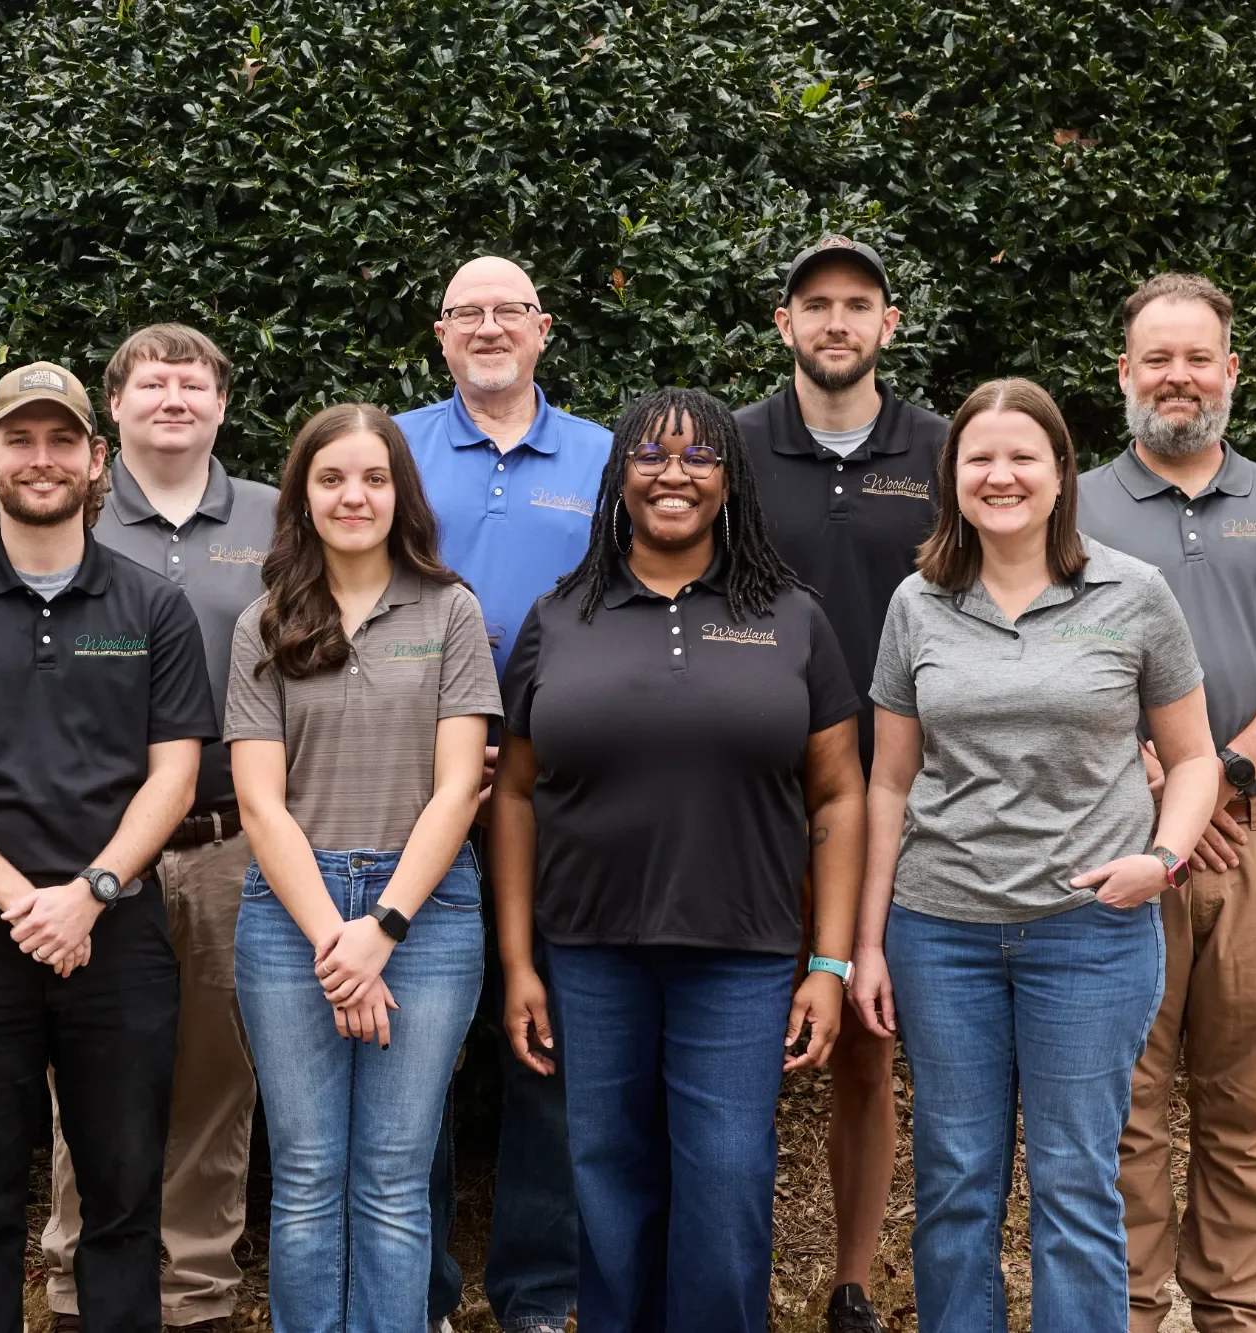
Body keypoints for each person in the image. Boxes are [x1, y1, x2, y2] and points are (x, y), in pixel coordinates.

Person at [850, 378, 1222, 1333]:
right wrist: (871, 942)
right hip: (942, 934)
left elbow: (1190, 760)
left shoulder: (1133, 593)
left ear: (1061, 472)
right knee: (956, 1184)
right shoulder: (917, 603)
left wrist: (1165, 858)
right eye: (979, 458)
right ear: (953, 476)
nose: (1000, 474)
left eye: (1023, 456)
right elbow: (887, 783)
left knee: (1075, 1184)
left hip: (1090, 931)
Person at [492, 387, 864, 1331]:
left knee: (728, 1180)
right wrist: (519, 961)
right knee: (608, 1180)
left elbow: (838, 795)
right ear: (619, 477)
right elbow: (514, 792)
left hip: (741, 952)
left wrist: (828, 961)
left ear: (731, 481)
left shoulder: (791, 617)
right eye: (652, 457)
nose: (674, 474)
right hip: (589, 949)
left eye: (700, 457)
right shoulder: (558, 616)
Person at [0, 362, 218, 1333]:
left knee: (121, 1206)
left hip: (118, 935)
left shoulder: (151, 607)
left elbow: (174, 775)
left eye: (61, 439)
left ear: (95, 459)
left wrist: (90, 891)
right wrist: (24, 900)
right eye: (18, 439)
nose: (41, 458)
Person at [1078, 273, 1256, 1333]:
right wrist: (1155, 782)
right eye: (1154, 357)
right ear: (1122, 373)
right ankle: (1119, 1309)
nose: (1175, 376)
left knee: (1248, 1104)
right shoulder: (1069, 508)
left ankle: (1237, 1310)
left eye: (1196, 356)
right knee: (1119, 1103)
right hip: (1117, 846)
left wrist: (1221, 775)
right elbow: (1037, 662)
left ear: (1229, 372)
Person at [225, 404, 501, 1332]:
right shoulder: (263, 620)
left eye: (374, 479)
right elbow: (260, 803)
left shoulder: (450, 611)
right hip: (289, 915)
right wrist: (332, 939)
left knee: (393, 1174)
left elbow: (461, 787)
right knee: (305, 1175)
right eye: (333, 479)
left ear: (402, 493)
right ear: (302, 496)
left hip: (423, 916)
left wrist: (379, 928)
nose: (355, 496)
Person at [43, 324, 277, 1333]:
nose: (173, 395)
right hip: (95, 848)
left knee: (219, 1083)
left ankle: (193, 1298)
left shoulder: (278, 519)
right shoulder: (69, 518)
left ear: (222, 404)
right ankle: (75, 1287)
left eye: (194, 381)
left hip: (235, 842)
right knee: (87, 1079)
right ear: (116, 407)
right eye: (152, 381)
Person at [395, 255, 608, 1333]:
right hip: (406, 792)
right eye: (465, 312)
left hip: (558, 794)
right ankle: (418, 1291)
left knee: (548, 1049)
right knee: (415, 1051)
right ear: (440, 336)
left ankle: (536, 1291)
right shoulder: (388, 450)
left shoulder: (605, 459)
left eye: (508, 310)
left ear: (542, 329)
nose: (487, 326)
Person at [736, 236, 945, 1333]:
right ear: (782, 324)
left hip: (896, 795)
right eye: (812, 304)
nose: (833, 321)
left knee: (866, 1044)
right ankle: (728, 1270)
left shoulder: (946, 450)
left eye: (855, 304)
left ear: (886, 323)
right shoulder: (726, 447)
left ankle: (851, 1281)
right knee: (735, 1042)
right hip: (749, 792)